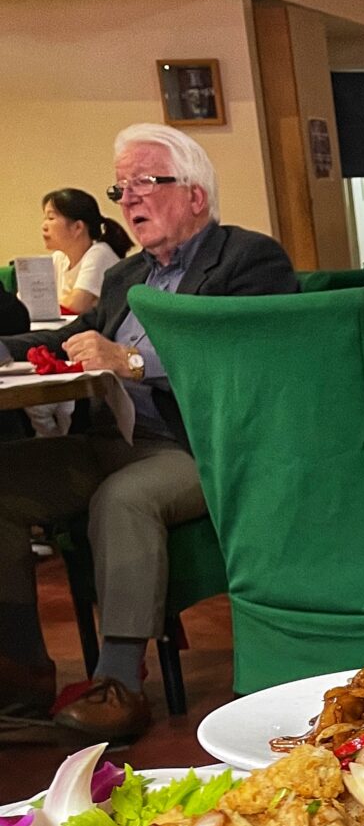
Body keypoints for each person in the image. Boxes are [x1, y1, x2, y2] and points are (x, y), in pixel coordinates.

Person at [0, 124, 297, 742]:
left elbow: (247, 355)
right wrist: (8, 348)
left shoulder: (248, 260)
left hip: (200, 446)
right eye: (121, 187)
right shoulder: (126, 275)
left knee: (125, 497)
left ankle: (119, 684)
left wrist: (132, 361)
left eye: (145, 182)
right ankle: (19, 677)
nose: (128, 198)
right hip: (111, 438)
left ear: (195, 195)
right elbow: (67, 339)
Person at [41, 188, 133, 318]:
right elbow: (28, 303)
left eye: (51, 218)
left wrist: (44, 304)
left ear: (78, 227)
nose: (44, 226)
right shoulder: (59, 258)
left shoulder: (100, 253)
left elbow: (76, 305)